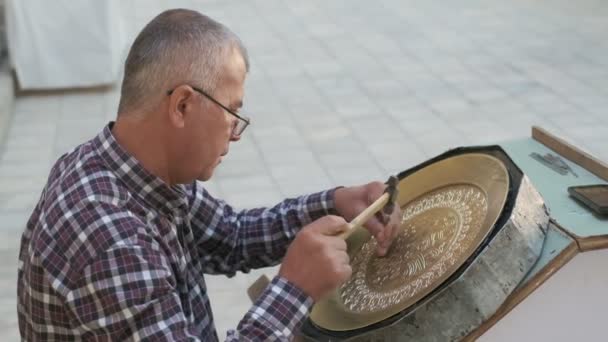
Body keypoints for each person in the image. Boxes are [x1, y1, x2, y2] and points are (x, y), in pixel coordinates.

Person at [17, 9, 401, 341]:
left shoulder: (136, 168)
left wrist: (334, 204)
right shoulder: (106, 234)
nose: (236, 133)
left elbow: (230, 236)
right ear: (182, 105)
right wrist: (295, 288)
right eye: (232, 113)